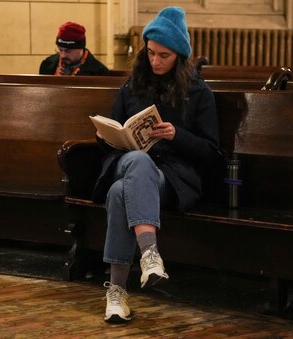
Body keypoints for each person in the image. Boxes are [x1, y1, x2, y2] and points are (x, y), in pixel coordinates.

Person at [91, 7, 220, 323]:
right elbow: (118, 132)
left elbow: (211, 152)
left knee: (121, 192)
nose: (155, 61)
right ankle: (150, 254)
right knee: (136, 160)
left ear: (179, 55)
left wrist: (178, 135)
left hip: (171, 177)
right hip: (127, 161)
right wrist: (105, 136)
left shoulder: (198, 92)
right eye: (150, 53)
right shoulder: (131, 86)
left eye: (164, 55)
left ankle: (117, 293)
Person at [39, 21, 110, 76]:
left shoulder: (99, 72)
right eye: (60, 50)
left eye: (68, 51)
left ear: (81, 48)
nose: (63, 55)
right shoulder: (47, 65)